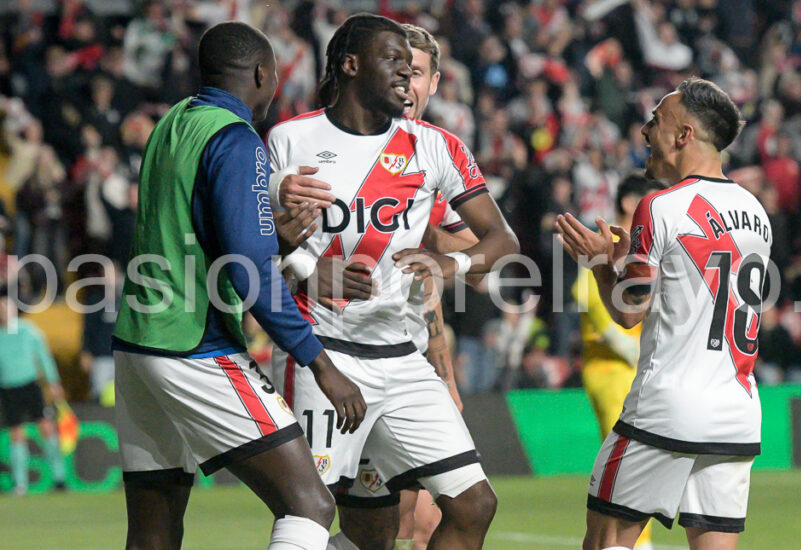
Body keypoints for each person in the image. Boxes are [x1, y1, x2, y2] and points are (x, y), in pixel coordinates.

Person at [265, 14, 518, 550]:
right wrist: (309, 271)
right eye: (393, 60)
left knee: (474, 504)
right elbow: (252, 253)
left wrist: (454, 264)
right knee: (311, 511)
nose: (407, 73)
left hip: (401, 358)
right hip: (322, 353)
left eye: (412, 64)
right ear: (351, 65)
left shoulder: (437, 147)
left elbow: (502, 240)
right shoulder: (291, 138)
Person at [110, 22, 366, 550]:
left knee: (153, 530)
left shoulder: (173, 123)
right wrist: (322, 364)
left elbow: (200, 238)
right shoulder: (235, 136)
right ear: (260, 73)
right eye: (274, 75)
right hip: (193, 344)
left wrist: (276, 244)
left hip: (137, 344)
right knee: (311, 505)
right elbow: (247, 271)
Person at [557, 78, 770, 550]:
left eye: (657, 120)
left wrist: (598, 263)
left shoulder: (660, 206)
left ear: (684, 135)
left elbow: (629, 312)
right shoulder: (756, 212)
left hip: (668, 406)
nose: (645, 131)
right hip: (736, 410)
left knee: (606, 542)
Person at [572, 173, 665, 550]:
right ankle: (634, 544)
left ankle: (626, 540)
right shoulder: (609, 241)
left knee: (639, 459)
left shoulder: (649, 244)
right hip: (612, 366)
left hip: (635, 366)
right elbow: (583, 291)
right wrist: (622, 343)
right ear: (631, 203)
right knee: (629, 460)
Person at [0, 290, 67, 495]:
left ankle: (59, 477)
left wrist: (54, 382)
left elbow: (43, 356)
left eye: (6, 306)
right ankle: (20, 484)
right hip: (8, 388)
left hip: (30, 385)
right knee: (16, 433)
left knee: (45, 427)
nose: (3, 311)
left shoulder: (28, 330)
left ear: (13, 309)